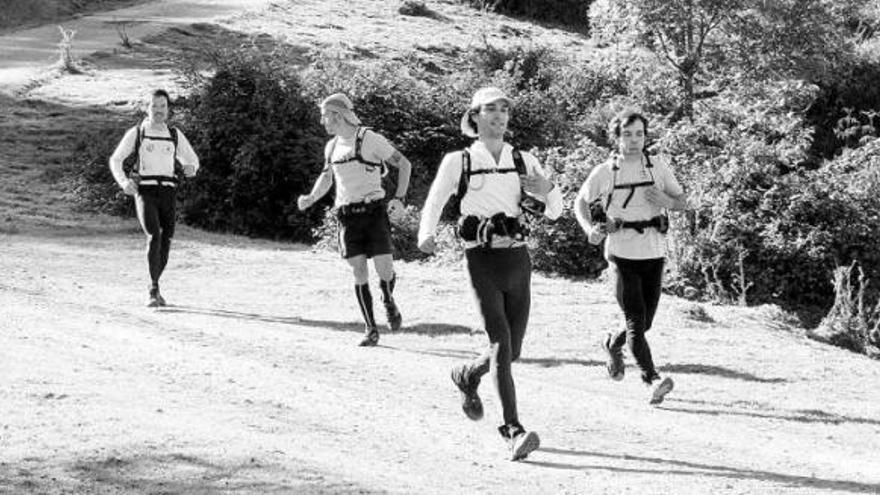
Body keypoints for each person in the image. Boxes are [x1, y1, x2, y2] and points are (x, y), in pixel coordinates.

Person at [418, 87, 562, 461]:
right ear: (475, 117)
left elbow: (554, 212)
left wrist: (549, 190)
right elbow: (436, 198)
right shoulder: (459, 160)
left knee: (512, 352)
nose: (498, 116)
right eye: (490, 110)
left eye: (503, 110)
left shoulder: (524, 159)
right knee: (500, 343)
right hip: (480, 260)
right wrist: (425, 234)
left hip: (518, 260)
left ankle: (468, 374)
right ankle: (512, 429)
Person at [573, 109, 687, 405]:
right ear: (616, 138)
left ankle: (613, 344)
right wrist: (589, 228)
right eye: (627, 134)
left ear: (646, 136)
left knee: (645, 324)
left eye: (639, 134)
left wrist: (666, 202)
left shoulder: (658, 166)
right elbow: (581, 202)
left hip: (653, 253)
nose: (634, 140)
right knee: (636, 321)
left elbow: (682, 202)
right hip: (622, 255)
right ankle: (652, 378)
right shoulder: (606, 171)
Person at [298, 93, 412, 347]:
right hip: (347, 217)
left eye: (325, 115)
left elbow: (404, 163)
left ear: (337, 115)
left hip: (373, 214)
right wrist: (311, 198)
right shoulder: (332, 146)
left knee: (385, 270)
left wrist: (400, 198)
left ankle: (387, 297)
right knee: (359, 271)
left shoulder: (370, 139)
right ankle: (371, 329)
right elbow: (327, 177)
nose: (322, 121)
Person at [109, 89, 199, 307]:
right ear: (146, 108)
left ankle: (155, 285)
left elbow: (193, 160)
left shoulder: (174, 134)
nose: (158, 110)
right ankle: (153, 288)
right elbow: (116, 160)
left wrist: (191, 168)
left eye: (163, 106)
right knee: (154, 235)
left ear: (168, 109)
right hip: (145, 191)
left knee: (166, 239)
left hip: (168, 191)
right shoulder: (138, 132)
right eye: (154, 106)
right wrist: (124, 183)